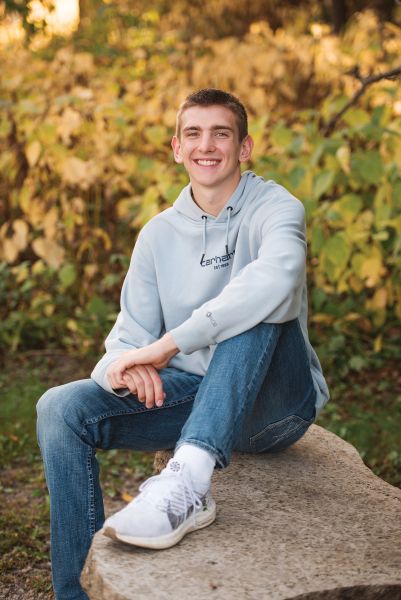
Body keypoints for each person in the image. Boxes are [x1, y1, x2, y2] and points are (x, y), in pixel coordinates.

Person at [37, 88, 329, 600]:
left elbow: (278, 281)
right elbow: (125, 337)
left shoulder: (278, 207)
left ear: (244, 147)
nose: (206, 145)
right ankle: (77, 592)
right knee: (58, 407)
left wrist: (170, 344)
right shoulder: (157, 235)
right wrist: (123, 368)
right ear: (177, 148)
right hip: (194, 397)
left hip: (273, 408)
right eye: (193, 133)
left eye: (221, 133)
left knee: (256, 301)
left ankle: (189, 482)